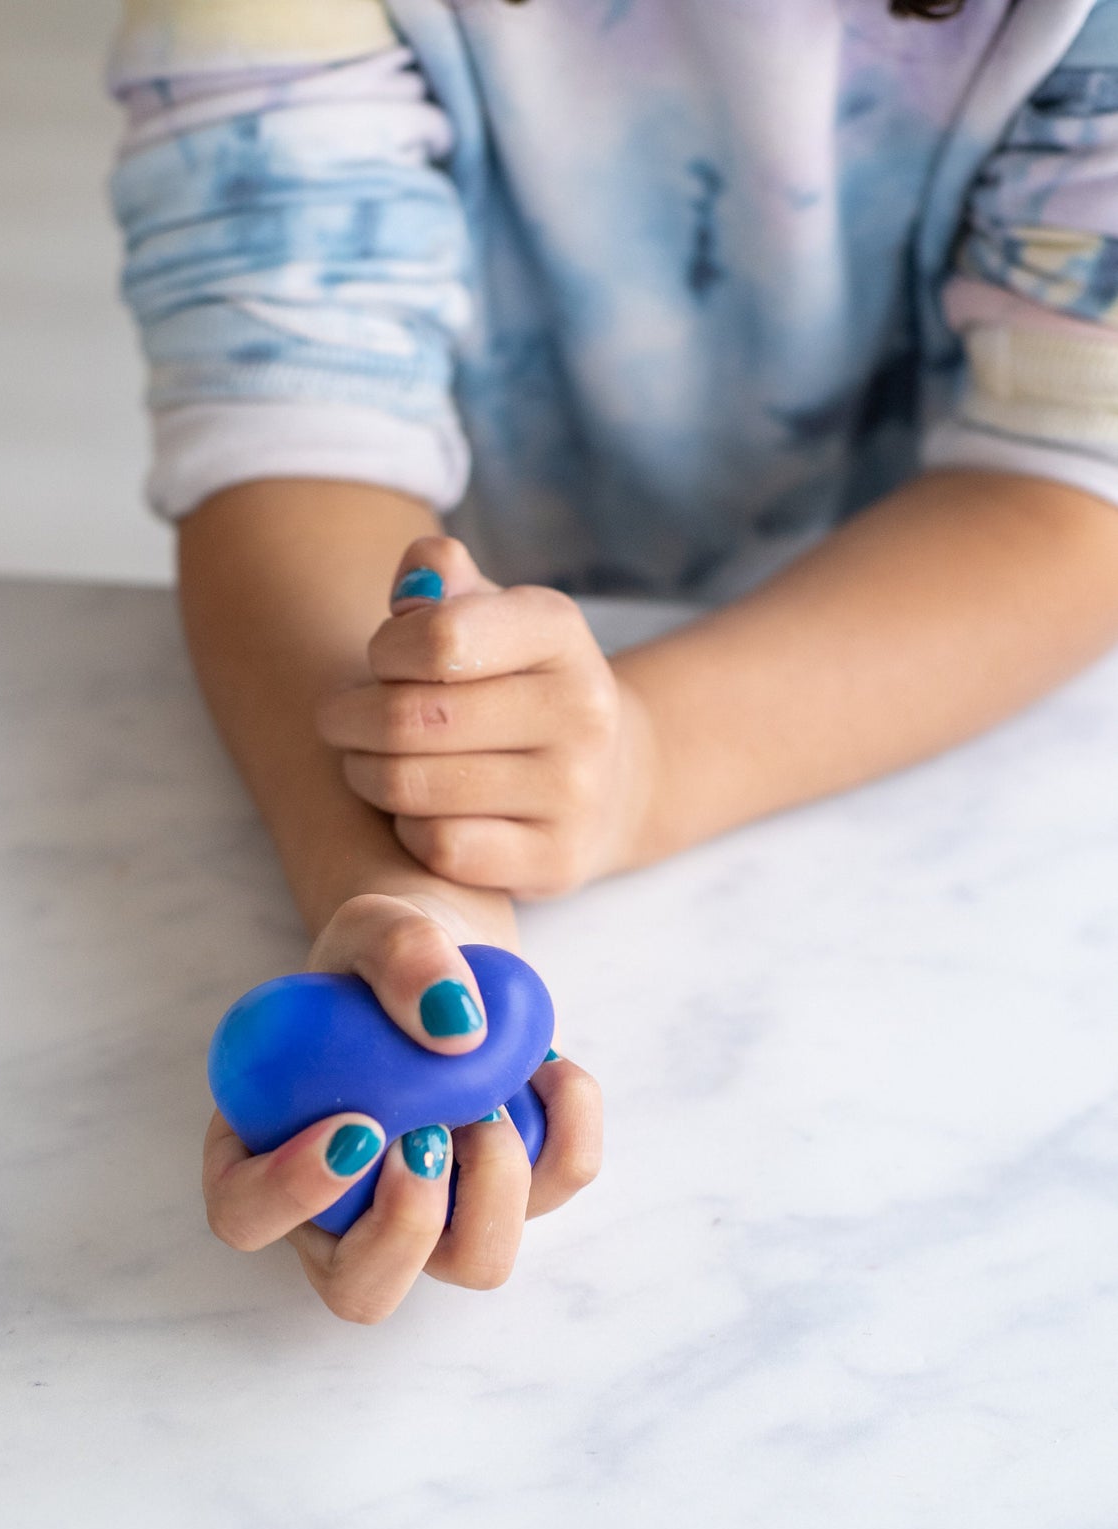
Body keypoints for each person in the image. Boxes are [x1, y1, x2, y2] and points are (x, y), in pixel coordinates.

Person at [108, 0, 1118, 1321]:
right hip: (482, 594)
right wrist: (423, 908)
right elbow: (290, 418)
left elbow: (1070, 474)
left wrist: (644, 764)